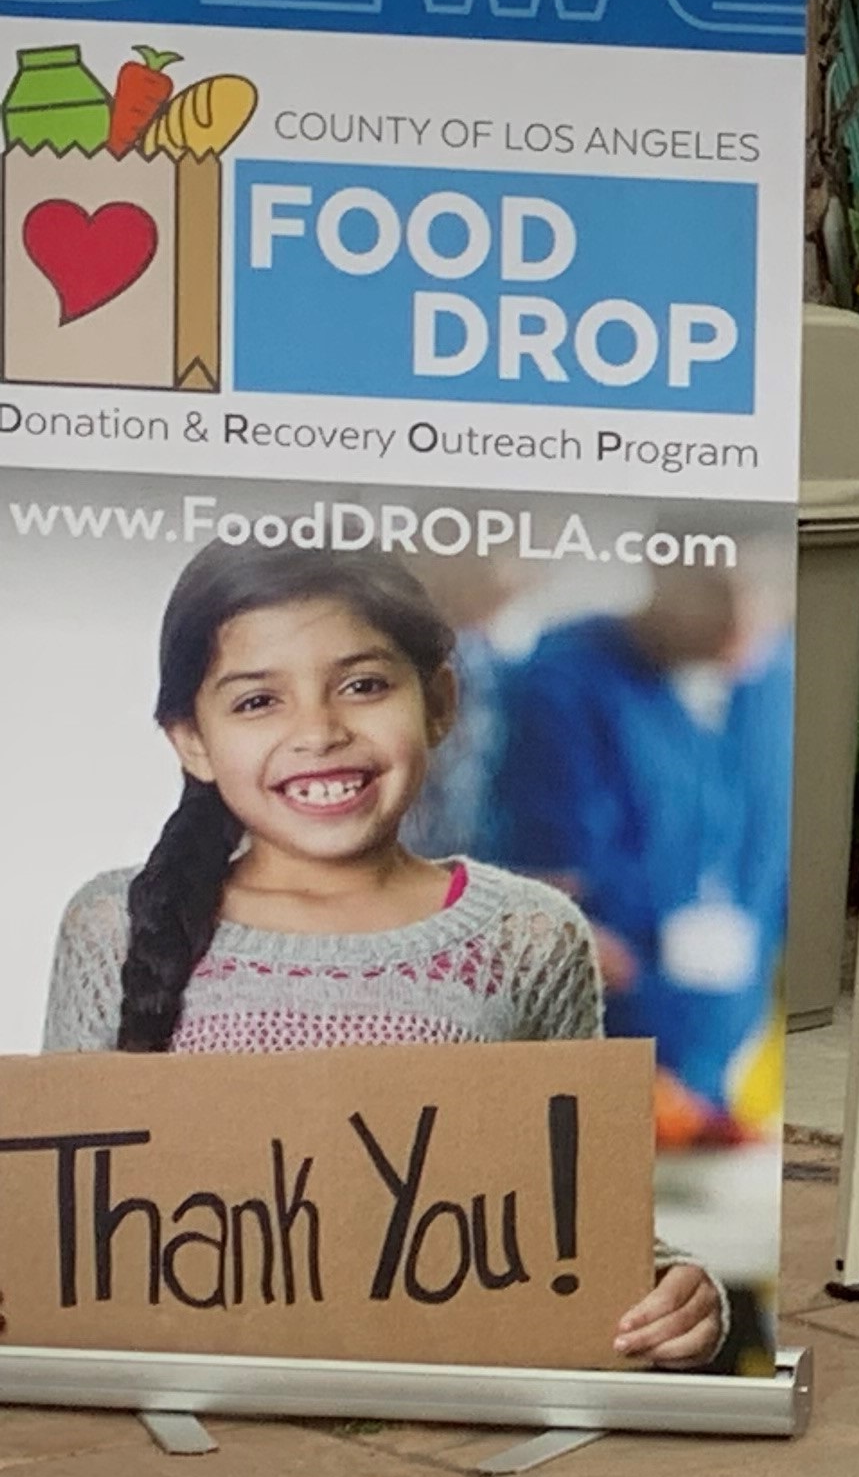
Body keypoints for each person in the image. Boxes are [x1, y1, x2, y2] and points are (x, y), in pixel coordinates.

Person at [41, 540, 726, 1367]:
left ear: (438, 700)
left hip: (444, 1405)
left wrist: (674, 1285)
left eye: (363, 686)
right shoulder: (111, 925)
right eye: (258, 701)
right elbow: (63, 1224)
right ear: (191, 740)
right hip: (185, 1414)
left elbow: (569, 1216)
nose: (320, 733)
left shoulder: (531, 937)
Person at [489, 562, 793, 1150]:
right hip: (604, 1030)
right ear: (661, 571)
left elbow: (771, 845)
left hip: (725, 1033)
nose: (741, 621)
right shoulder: (564, 679)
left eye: (764, 595)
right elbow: (547, 867)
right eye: (717, 593)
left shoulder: (772, 676)